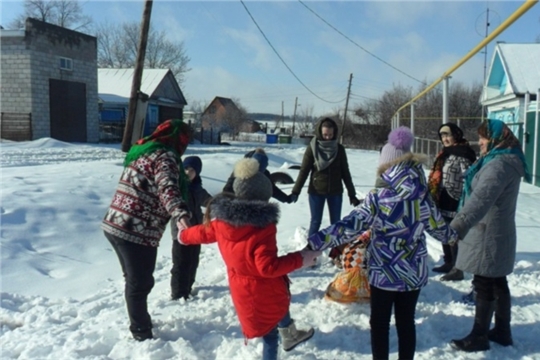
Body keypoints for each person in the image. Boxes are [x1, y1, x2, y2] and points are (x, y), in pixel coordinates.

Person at [307, 126, 458, 360]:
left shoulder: (378, 198)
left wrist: (317, 241)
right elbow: (441, 232)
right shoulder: (422, 197)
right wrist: (456, 235)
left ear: (387, 165)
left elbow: (349, 225)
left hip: (383, 273)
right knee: (407, 322)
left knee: (379, 324)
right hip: (413, 274)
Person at [178, 157, 320, 360]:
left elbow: (203, 232)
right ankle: (282, 342)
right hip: (261, 290)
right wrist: (301, 258)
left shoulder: (223, 221)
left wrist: (184, 236)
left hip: (243, 289)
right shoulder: (263, 227)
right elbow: (268, 267)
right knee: (270, 334)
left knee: (279, 304)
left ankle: (290, 333)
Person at [102, 119, 192, 341]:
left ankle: (140, 321)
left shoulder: (143, 151)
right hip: (135, 230)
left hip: (115, 224)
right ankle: (141, 331)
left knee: (134, 280)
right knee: (140, 283)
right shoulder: (166, 155)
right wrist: (180, 214)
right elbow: (167, 187)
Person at [449, 119, 530, 352]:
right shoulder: (503, 158)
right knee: (497, 281)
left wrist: (457, 226)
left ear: (496, 138)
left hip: (487, 232)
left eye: (484, 138)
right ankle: (502, 331)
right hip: (497, 230)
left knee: (484, 282)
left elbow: (480, 200)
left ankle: (479, 336)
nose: (480, 142)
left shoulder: (499, 165)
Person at [289, 117, 360, 264]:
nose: (328, 137)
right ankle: (310, 257)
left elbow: (345, 172)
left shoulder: (339, 149)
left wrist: (352, 194)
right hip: (316, 192)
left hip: (335, 192)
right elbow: (304, 171)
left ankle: (338, 256)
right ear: (320, 133)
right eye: (325, 134)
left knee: (337, 224)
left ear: (334, 133)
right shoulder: (313, 148)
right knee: (315, 222)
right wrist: (296, 191)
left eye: (330, 135)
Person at [428, 123, 476, 281]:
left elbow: (470, 178)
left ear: (456, 135)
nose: (445, 139)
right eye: (442, 136)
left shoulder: (464, 153)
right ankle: (448, 261)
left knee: (454, 232)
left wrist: (468, 200)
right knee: (444, 230)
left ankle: (458, 267)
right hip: (442, 197)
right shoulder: (444, 153)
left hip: (457, 199)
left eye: (448, 135)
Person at [170, 155, 212, 300]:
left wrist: (223, 203)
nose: (188, 172)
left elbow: (209, 201)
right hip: (181, 233)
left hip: (196, 231)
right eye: (186, 168)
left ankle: (188, 287)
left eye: (192, 169)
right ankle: (178, 294)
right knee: (181, 263)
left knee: (193, 261)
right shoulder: (177, 187)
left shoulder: (197, 188)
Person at [223, 148, 291, 203]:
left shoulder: (265, 174)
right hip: (240, 205)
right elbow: (227, 189)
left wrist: (286, 198)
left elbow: (272, 189)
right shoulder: (241, 171)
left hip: (259, 206)